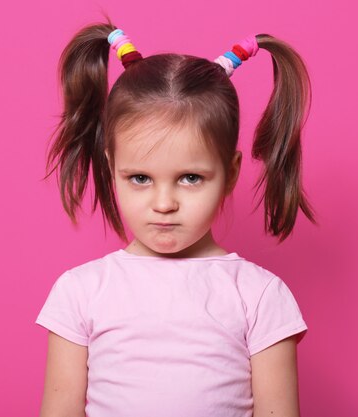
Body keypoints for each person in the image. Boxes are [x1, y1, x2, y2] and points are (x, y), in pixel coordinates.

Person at [35, 15, 317, 417]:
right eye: (140, 178)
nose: (163, 203)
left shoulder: (258, 296)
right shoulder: (80, 292)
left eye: (189, 178)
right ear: (112, 166)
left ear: (231, 172)